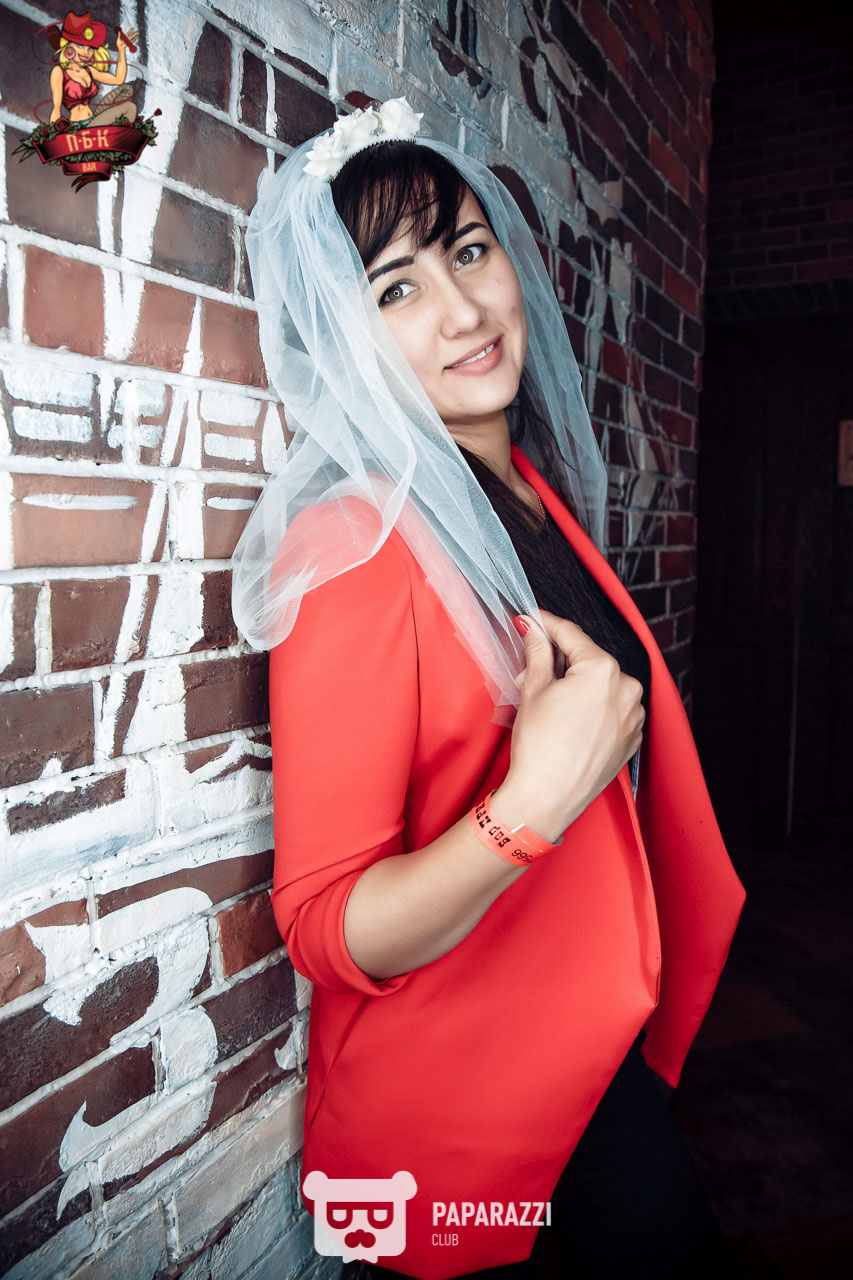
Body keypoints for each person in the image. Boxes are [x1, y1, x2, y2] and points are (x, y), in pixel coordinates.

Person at [231, 98, 746, 1280]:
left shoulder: (525, 493)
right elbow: (324, 923)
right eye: (397, 288)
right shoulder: (354, 542)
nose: (463, 310)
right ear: (341, 334)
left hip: (591, 1054)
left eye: (468, 250)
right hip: (467, 1116)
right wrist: (530, 804)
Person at [47, 10, 139, 127]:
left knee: (128, 99)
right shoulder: (59, 72)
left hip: (94, 120)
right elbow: (56, 108)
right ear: (67, 46)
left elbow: (118, 79)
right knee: (129, 107)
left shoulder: (89, 70)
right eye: (80, 45)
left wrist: (121, 49)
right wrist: (53, 134)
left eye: (90, 48)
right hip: (79, 128)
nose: (86, 52)